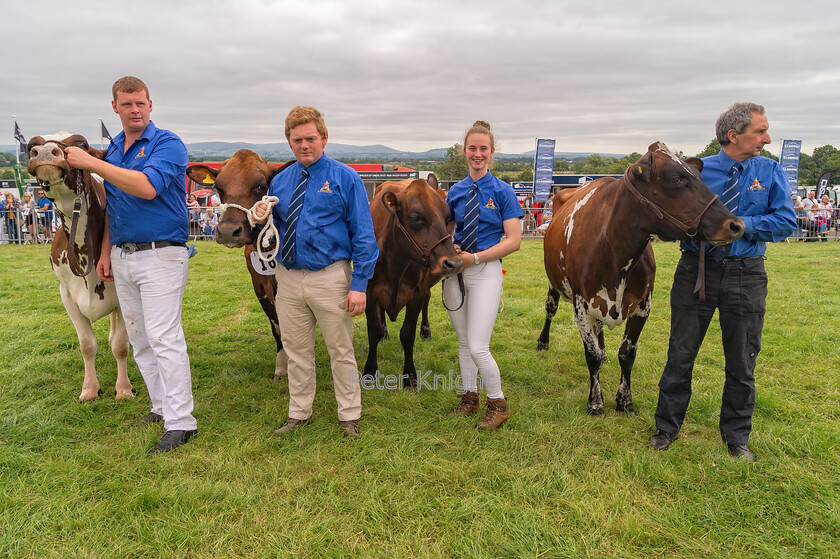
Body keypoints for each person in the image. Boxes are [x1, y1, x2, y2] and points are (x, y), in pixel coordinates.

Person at [650, 103, 797, 461]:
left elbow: (786, 221)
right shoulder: (694, 170)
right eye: (760, 131)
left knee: (742, 360)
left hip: (747, 274)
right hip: (696, 272)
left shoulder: (769, 170)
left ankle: (736, 437)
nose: (767, 138)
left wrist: (742, 224)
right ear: (734, 135)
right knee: (680, 355)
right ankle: (666, 429)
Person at [64, 76, 197, 454]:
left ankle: (181, 421)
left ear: (150, 105)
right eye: (127, 104)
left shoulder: (167, 143)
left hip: (161, 254)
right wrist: (106, 251)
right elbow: (115, 207)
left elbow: (146, 187)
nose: (134, 110)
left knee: (164, 336)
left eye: (140, 103)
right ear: (115, 108)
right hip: (123, 254)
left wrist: (92, 163)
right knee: (138, 337)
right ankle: (160, 406)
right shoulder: (116, 150)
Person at [252, 106, 378, 439]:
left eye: (310, 138)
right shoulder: (281, 180)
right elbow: (277, 226)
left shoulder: (345, 178)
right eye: (297, 140)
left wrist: (360, 285)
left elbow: (364, 235)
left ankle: (349, 414)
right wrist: (263, 215)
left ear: (324, 138)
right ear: (289, 141)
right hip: (288, 278)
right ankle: (299, 412)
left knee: (341, 350)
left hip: (331, 277)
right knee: (296, 350)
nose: (304, 145)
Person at [443, 120, 523, 430]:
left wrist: (474, 257)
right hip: (455, 274)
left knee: (478, 345)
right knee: (463, 343)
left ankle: (499, 403)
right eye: (472, 148)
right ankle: (469, 398)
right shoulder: (455, 192)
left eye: (483, 149)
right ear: (465, 151)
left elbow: (514, 241)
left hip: (484, 271)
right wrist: (451, 245)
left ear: (491, 152)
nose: (477, 154)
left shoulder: (502, 191)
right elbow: (445, 230)